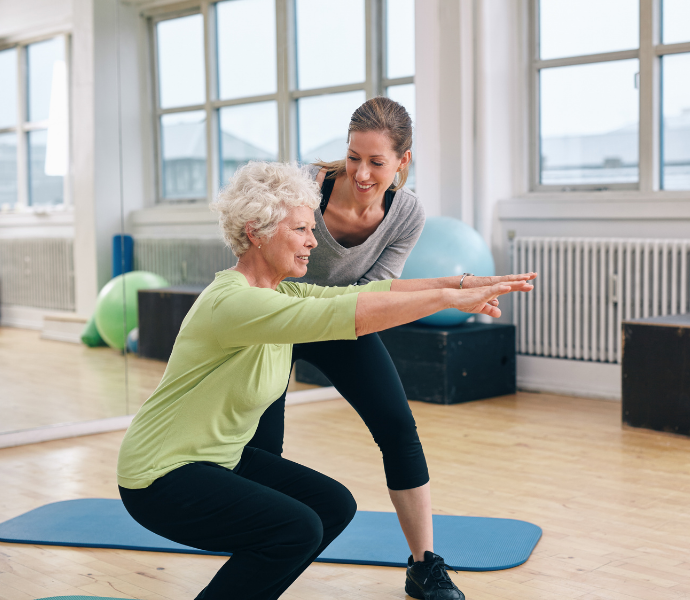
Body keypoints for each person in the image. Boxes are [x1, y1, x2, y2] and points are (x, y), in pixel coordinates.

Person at [116, 161, 535, 600]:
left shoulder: (280, 291)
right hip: (160, 475)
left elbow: (366, 294)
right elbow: (346, 315)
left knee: (332, 506)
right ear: (256, 231)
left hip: (217, 458)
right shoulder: (233, 303)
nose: (314, 241)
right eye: (301, 229)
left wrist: (463, 282)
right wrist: (447, 300)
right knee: (295, 528)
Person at [247, 96, 504, 599]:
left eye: (377, 162)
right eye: (353, 157)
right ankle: (260, 551)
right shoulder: (304, 190)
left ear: (403, 162)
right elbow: (256, 261)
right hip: (278, 319)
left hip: (344, 321)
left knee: (398, 427)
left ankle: (424, 565)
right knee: (263, 448)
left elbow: (376, 293)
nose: (362, 173)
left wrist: (449, 290)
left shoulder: (405, 213)